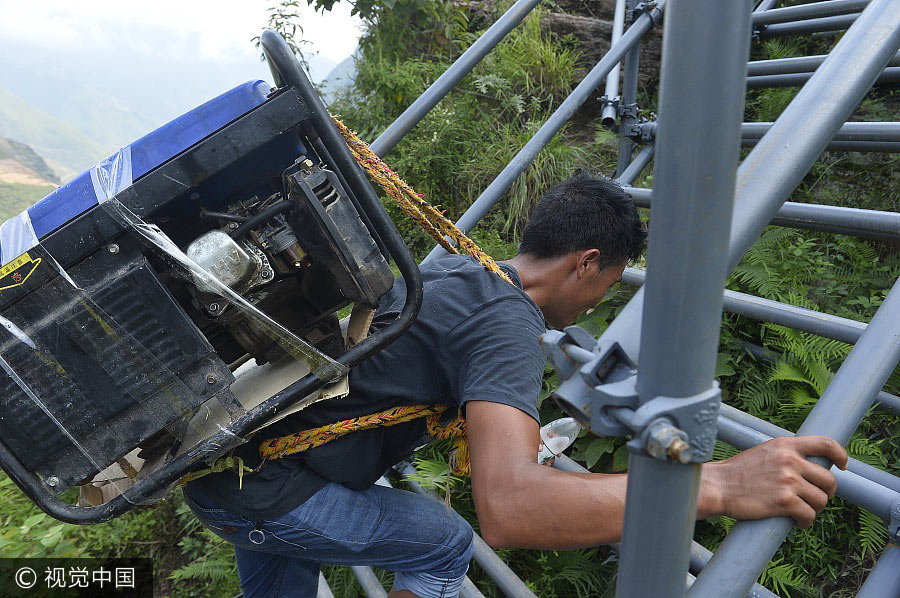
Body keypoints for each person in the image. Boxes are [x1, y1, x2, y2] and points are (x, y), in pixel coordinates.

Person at [183, 174, 848, 598]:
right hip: (269, 493)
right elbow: (510, 509)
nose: (594, 309)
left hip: (229, 466)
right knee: (441, 542)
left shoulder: (460, 271)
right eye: (607, 286)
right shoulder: (509, 327)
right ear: (586, 264)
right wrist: (721, 486)